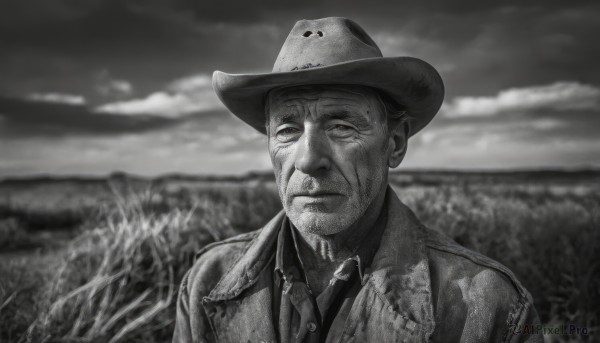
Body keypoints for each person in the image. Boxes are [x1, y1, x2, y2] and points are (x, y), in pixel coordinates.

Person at [173, 17, 542, 343]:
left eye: (341, 125)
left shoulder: (488, 304)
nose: (307, 159)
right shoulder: (207, 282)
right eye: (287, 129)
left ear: (394, 144)